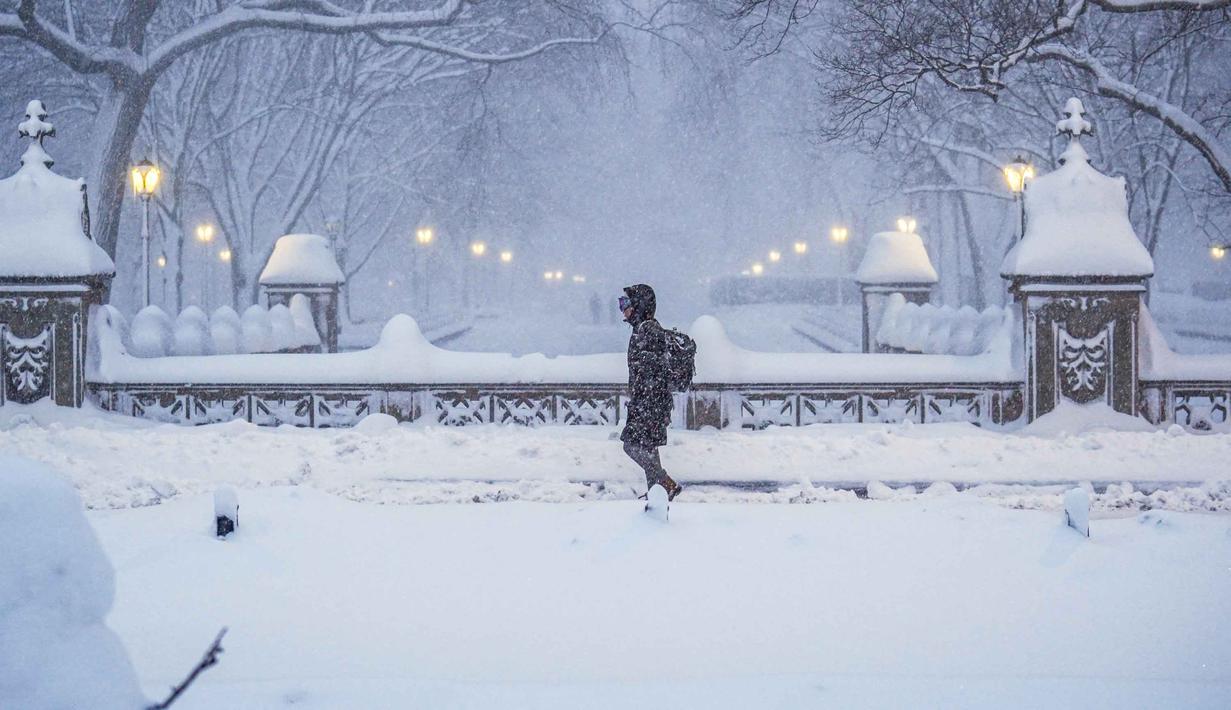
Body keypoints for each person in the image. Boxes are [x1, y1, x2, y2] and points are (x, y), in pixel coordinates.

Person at [619, 284, 682, 501]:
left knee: (632, 446)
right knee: (648, 447)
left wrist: (644, 397)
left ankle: (666, 483)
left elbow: (655, 370)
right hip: (648, 401)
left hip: (650, 402)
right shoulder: (643, 329)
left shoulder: (649, 330)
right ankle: (658, 494)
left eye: (626, 303)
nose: (623, 309)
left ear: (639, 305)